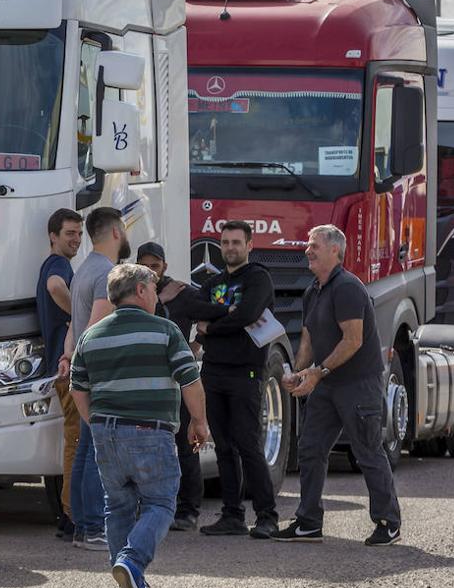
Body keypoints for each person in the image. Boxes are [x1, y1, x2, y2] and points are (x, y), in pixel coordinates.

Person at [70, 263, 211, 588]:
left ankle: (128, 581)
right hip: (150, 430)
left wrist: (97, 423)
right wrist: (199, 422)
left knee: (117, 507)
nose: (154, 292)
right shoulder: (165, 330)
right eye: (152, 286)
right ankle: (131, 562)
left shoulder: (91, 335)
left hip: (106, 432)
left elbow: (77, 388)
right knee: (161, 502)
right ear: (140, 291)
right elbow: (190, 380)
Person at [275, 224, 402, 546]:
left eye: (314, 245)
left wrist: (318, 373)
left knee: (368, 451)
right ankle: (308, 522)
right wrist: (298, 371)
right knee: (310, 449)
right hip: (327, 384)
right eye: (308, 244)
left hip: (358, 385)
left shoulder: (347, 288)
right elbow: (308, 337)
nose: (307, 250)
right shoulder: (313, 290)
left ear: (335, 250)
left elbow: (353, 340)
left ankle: (388, 522)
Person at [162, 220, 278, 538]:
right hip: (213, 371)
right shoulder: (214, 283)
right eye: (225, 243)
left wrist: (212, 326)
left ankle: (267, 516)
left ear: (249, 245)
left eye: (236, 242)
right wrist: (225, 313)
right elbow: (194, 307)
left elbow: (249, 313)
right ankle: (232, 515)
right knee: (223, 446)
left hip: (246, 372)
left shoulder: (258, 278)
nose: (230, 248)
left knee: (248, 443)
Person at [59, 206, 130, 550]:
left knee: (84, 450)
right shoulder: (107, 273)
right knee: (94, 451)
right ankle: (91, 528)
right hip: (98, 374)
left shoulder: (84, 269)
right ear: (116, 232)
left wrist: (68, 358)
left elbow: (75, 326)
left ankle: (82, 527)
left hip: (81, 370)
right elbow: (95, 328)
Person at [137, 242, 205, 533]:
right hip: (146, 384)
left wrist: (198, 343)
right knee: (148, 448)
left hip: (177, 381)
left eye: (155, 265)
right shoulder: (134, 293)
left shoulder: (182, 292)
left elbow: (213, 313)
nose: (151, 270)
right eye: (145, 265)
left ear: (164, 265)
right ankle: (154, 507)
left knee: (186, 446)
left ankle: (189, 511)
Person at [37, 208, 83, 540]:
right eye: (69, 233)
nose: (76, 240)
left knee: (74, 439)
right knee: (77, 440)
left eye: (79, 234)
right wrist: (80, 315)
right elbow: (55, 287)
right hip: (65, 365)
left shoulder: (60, 264)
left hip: (59, 365)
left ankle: (69, 510)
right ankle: (70, 514)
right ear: (53, 236)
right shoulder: (58, 265)